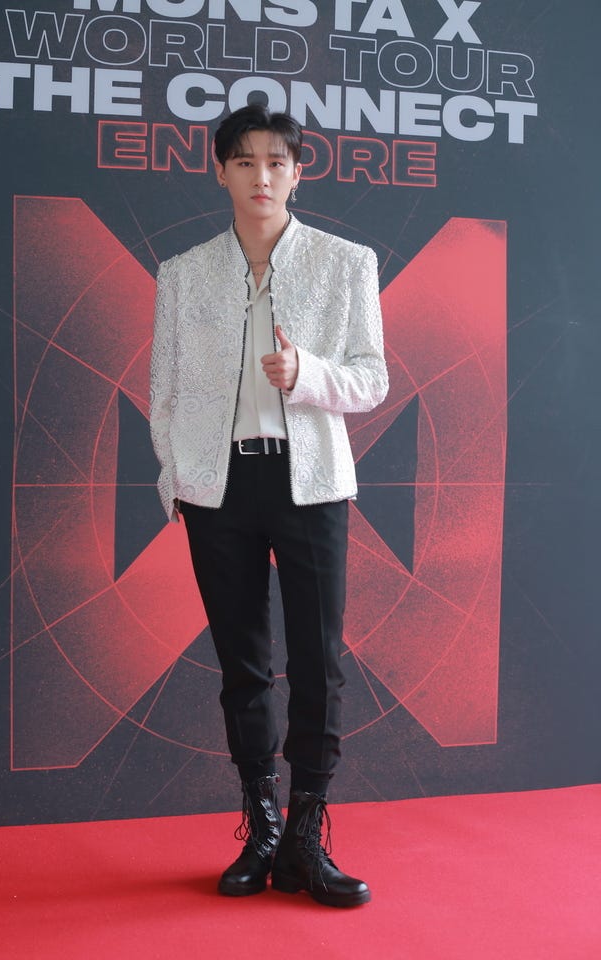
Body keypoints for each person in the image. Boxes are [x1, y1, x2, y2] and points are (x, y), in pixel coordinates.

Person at [150, 104, 388, 908]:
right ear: (219, 170)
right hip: (218, 488)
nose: (261, 176)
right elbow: (164, 392)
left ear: (297, 173)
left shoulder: (346, 262)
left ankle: (306, 839)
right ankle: (262, 828)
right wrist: (177, 479)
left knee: (320, 661)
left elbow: (372, 377)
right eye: (245, 161)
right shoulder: (183, 274)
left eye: (276, 162)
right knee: (243, 665)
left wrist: (307, 374)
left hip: (309, 482)